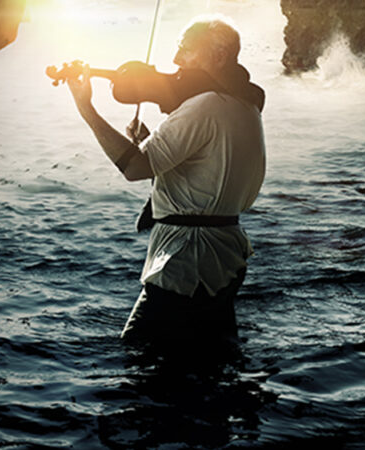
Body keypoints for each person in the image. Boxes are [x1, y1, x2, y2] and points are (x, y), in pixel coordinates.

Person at [65, 15, 266, 343]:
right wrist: (155, 148)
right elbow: (205, 181)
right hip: (224, 258)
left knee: (139, 356)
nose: (175, 61)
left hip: (187, 262)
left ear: (218, 56)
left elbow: (134, 169)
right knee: (210, 358)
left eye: (186, 50)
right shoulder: (246, 105)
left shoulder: (204, 106)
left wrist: (86, 109)